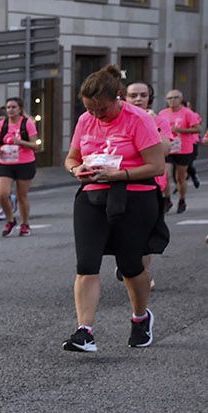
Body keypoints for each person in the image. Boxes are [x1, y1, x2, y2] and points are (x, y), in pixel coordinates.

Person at [62, 64, 166, 353]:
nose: (96, 115)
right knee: (86, 263)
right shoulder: (85, 120)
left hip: (134, 195)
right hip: (92, 194)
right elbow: (71, 157)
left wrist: (118, 175)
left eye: (102, 110)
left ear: (118, 97)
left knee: (131, 265)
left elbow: (156, 166)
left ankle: (140, 317)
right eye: (90, 109)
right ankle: (85, 331)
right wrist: (76, 169)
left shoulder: (139, 119)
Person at [124, 80, 168, 287]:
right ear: (124, 98)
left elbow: (166, 149)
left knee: (144, 235)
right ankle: (128, 262)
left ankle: (142, 272)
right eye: (133, 95)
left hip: (152, 184)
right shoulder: (119, 120)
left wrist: (152, 125)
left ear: (150, 97)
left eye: (143, 95)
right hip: (121, 183)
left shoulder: (158, 119)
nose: (138, 99)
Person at [0, 97, 40, 236]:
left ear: (20, 109)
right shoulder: (2, 124)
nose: (10, 110)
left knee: (21, 196)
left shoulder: (27, 123)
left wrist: (20, 142)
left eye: (13, 107)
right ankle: (10, 220)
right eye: (8, 107)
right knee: (2, 194)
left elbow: (36, 145)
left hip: (25, 163)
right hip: (5, 163)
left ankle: (25, 224)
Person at [156, 89, 201, 214]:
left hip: (183, 148)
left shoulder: (187, 113)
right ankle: (167, 199)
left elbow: (197, 129)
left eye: (175, 97)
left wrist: (180, 130)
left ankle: (182, 200)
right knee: (164, 175)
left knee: (180, 178)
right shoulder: (162, 113)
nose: (172, 100)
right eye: (169, 98)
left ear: (180, 99)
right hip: (168, 148)